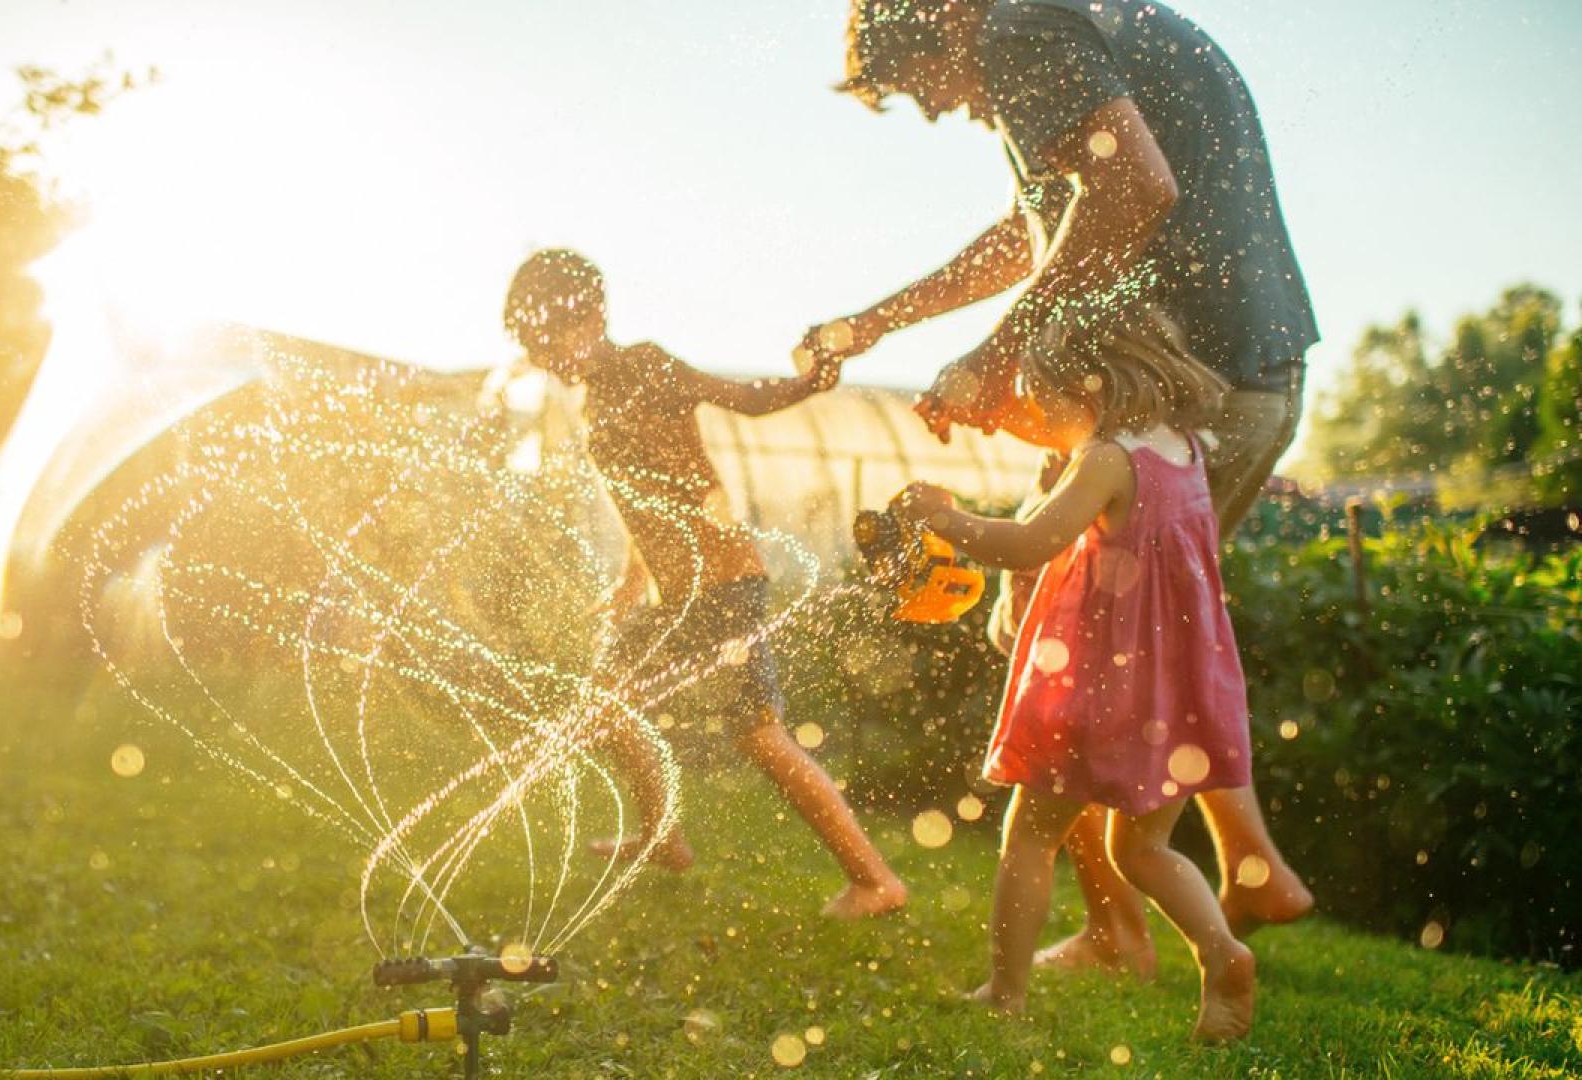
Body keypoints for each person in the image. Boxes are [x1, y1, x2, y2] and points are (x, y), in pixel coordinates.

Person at [805, 0, 1315, 968]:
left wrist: (995, 359)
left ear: (945, 19)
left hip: (1184, 384)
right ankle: (1243, 865)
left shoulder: (1018, 29)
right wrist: (880, 323)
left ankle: (1126, 922)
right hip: (1237, 379)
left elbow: (1133, 187)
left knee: (1058, 651)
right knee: (1143, 638)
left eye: (921, 82)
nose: (937, 109)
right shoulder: (1070, 27)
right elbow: (1038, 229)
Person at [503, 249, 908, 919]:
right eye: (528, 342)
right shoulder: (595, 395)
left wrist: (812, 380)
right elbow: (650, 492)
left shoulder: (644, 364)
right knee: (606, 700)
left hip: (722, 585)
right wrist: (635, 577)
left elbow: (747, 401)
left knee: (758, 736)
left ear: (588, 316)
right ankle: (663, 837)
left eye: (543, 338)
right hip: (677, 596)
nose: (539, 355)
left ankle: (875, 881)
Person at [898, 306, 1256, 1041]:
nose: (1038, 413)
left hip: (1100, 689)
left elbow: (1031, 544)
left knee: (1027, 838)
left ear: (1087, 388)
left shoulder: (1106, 459)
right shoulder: (1185, 450)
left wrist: (945, 518)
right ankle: (1222, 954)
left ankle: (1005, 993)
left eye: (1043, 396)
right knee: (1145, 849)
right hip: (1177, 695)